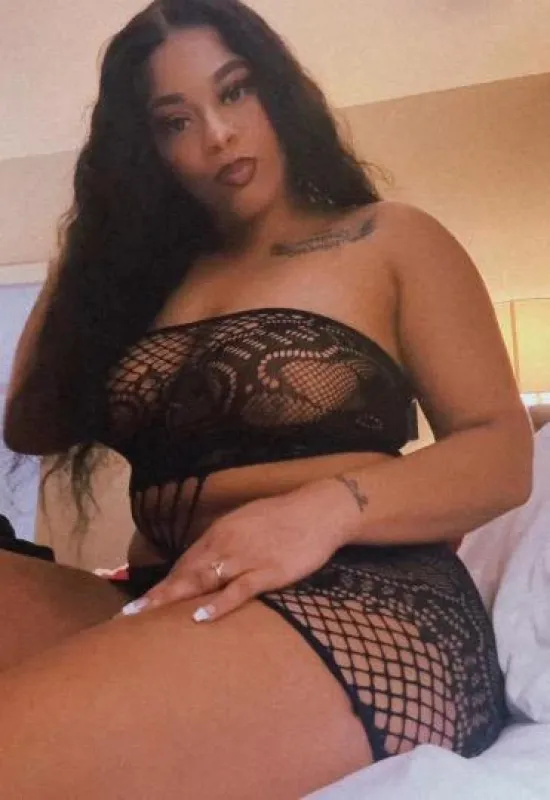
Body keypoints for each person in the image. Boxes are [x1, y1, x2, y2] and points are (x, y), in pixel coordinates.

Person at [1, 1, 533, 797]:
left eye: (234, 91)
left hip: (361, 597)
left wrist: (322, 511)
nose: (217, 135)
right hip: (167, 588)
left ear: (277, 91)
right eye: (175, 121)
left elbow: (500, 450)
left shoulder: (387, 237)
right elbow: (32, 424)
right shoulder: (149, 282)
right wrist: (91, 244)